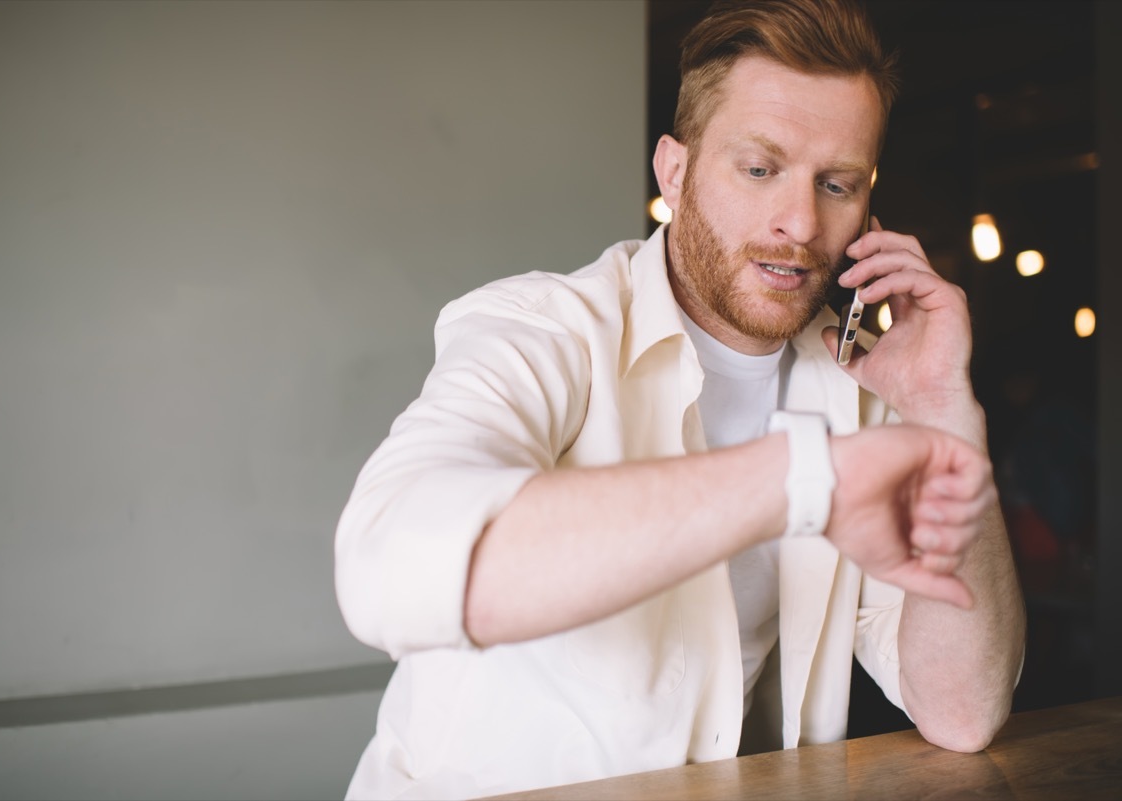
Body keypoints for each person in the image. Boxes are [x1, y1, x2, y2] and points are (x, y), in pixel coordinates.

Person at [334, 0, 1026, 797]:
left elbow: (963, 711)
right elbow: (391, 567)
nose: (800, 222)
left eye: (835, 183)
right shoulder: (541, 328)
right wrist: (803, 479)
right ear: (674, 171)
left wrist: (944, 408)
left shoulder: (862, 384)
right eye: (760, 169)